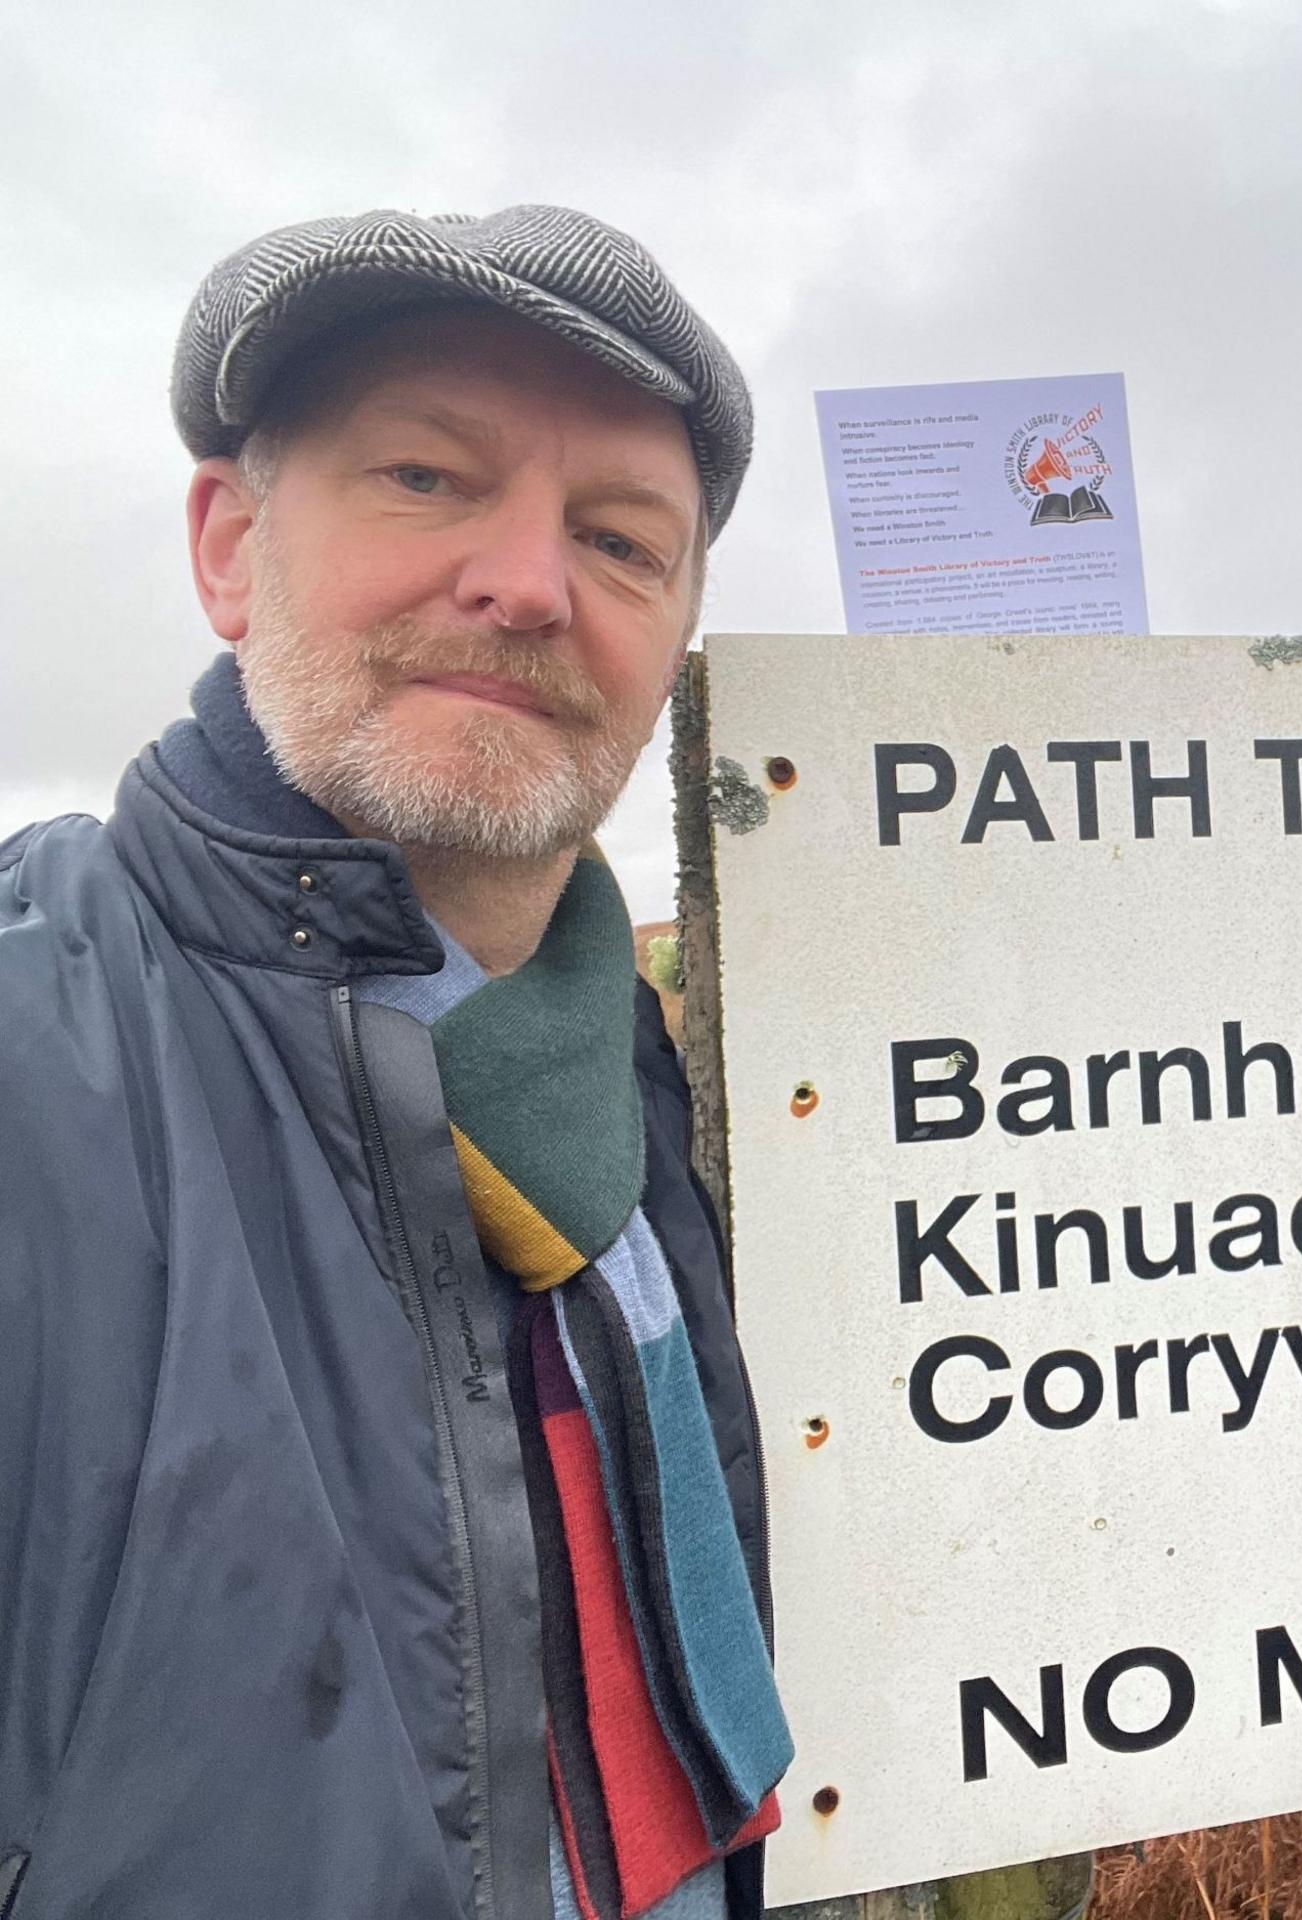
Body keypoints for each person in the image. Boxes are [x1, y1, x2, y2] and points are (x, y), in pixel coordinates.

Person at [0, 207, 791, 1920]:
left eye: (622, 539)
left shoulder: (631, 1071)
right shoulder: (36, 1061)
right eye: (426, 478)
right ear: (228, 542)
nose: (527, 580)